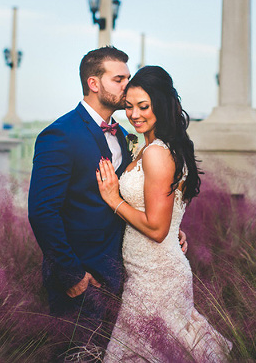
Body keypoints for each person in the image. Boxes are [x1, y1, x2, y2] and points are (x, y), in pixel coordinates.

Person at [27, 47, 187, 354]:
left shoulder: (126, 134)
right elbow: (42, 213)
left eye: (128, 78)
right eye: (119, 79)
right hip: (83, 279)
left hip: (125, 276)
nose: (127, 86)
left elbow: (137, 193)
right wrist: (73, 275)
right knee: (77, 356)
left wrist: (170, 224)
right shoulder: (60, 135)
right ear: (94, 83)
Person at [95, 66, 232, 362]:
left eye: (143, 106)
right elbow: (165, 216)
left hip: (155, 278)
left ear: (161, 105)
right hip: (149, 271)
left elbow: (157, 229)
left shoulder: (157, 153)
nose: (134, 114)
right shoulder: (151, 148)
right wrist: (175, 229)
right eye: (128, 106)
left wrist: (113, 198)